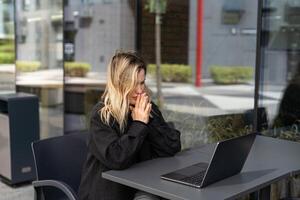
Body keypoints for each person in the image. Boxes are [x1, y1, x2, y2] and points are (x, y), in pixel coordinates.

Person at [78, 51, 181, 200]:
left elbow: (172, 146)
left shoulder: (146, 107)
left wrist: (148, 120)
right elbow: (116, 159)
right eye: (134, 84)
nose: (140, 90)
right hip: (108, 193)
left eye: (142, 82)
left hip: (141, 186)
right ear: (119, 83)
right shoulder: (102, 115)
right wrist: (139, 124)